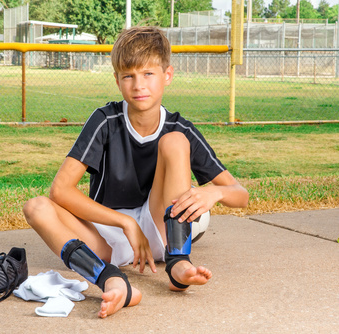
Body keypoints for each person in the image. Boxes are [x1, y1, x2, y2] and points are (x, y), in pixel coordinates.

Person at [23, 26, 249, 318]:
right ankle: (112, 280)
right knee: (36, 207)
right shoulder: (106, 120)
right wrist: (126, 224)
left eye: (148, 74)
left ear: (167, 75)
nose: (138, 85)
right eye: (128, 76)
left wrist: (212, 192)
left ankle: (178, 262)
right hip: (107, 238)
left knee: (175, 143)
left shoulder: (181, 128)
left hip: (160, 228)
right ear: (117, 80)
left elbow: (240, 195)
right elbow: (60, 190)